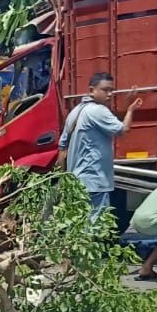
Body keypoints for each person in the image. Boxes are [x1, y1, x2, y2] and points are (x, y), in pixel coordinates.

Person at [56, 72, 142, 220]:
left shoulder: (75, 111)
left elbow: (62, 145)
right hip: (94, 180)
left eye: (111, 90)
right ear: (91, 90)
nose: (109, 94)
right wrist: (130, 110)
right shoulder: (97, 110)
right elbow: (122, 129)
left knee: (80, 223)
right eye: (105, 90)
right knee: (95, 224)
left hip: (75, 180)